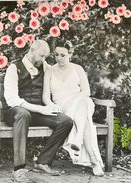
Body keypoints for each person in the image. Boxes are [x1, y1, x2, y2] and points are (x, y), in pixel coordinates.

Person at [4, 39, 73, 183]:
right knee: (23, 113)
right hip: (16, 113)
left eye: (45, 57)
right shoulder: (14, 68)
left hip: (38, 113)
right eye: (41, 56)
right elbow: (12, 99)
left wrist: (52, 106)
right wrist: (42, 109)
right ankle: (19, 170)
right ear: (32, 50)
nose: (44, 60)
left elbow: (60, 78)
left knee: (65, 121)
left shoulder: (45, 67)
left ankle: (42, 162)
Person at [43, 40, 104, 176]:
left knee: (82, 103)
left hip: (80, 102)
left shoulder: (78, 69)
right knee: (85, 120)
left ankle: (79, 138)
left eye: (63, 55)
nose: (59, 58)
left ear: (70, 54)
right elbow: (46, 97)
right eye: (56, 55)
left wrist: (74, 100)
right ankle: (93, 161)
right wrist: (52, 106)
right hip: (62, 107)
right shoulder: (50, 71)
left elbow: (86, 91)